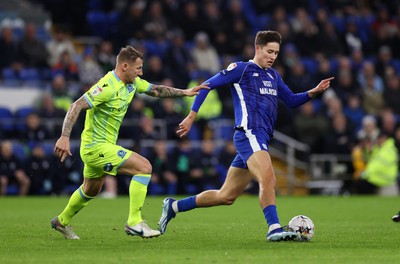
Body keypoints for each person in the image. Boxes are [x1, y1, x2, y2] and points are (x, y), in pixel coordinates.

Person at [158, 30, 334, 242]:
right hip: (248, 133)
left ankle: (174, 206)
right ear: (257, 48)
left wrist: (313, 92)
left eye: (276, 53)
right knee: (268, 178)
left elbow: (292, 100)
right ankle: (274, 228)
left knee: (226, 196)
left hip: (260, 138)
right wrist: (191, 115)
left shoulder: (273, 75)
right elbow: (206, 86)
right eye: (269, 51)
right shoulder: (241, 69)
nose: (273, 56)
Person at [50, 45, 208, 240]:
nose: (141, 73)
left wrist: (186, 92)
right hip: (95, 147)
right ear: (125, 66)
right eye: (138, 68)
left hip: (102, 147)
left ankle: (61, 221)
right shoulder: (107, 86)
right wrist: (65, 137)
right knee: (144, 167)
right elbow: (76, 105)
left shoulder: (132, 83)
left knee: (90, 189)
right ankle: (134, 222)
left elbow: (156, 90)